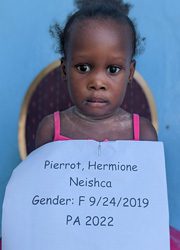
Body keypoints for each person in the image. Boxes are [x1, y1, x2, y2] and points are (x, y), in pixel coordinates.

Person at [35, 0, 157, 148]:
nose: (97, 83)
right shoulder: (51, 130)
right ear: (65, 70)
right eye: (83, 68)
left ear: (130, 73)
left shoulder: (144, 134)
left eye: (113, 69)